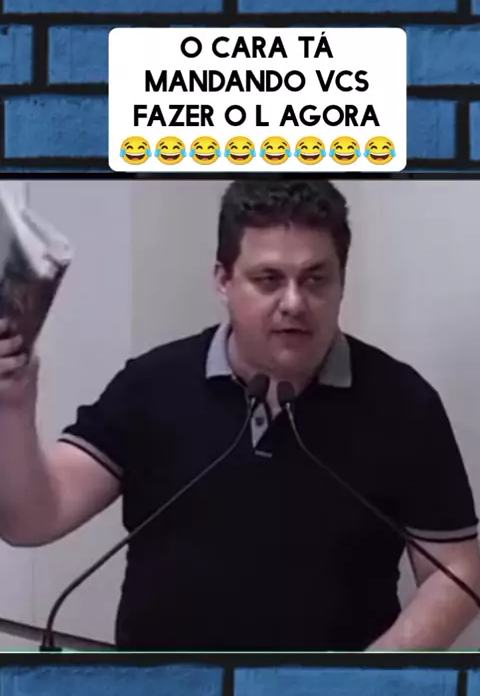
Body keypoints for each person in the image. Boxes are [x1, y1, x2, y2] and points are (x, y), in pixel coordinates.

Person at [0, 179, 479, 651]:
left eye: (316, 279)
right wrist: (13, 407)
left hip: (326, 694)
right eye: (268, 279)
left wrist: (373, 679)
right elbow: (34, 519)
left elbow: (456, 570)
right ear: (223, 280)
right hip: (163, 688)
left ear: (341, 282)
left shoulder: (403, 403)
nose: (294, 303)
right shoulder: (152, 384)